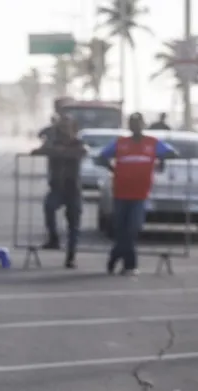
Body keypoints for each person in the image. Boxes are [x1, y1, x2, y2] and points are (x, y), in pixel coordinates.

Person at [97, 113, 177, 276]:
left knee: (132, 229)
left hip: (139, 194)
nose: (135, 126)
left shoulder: (152, 143)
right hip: (121, 192)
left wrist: (160, 160)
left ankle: (122, 260)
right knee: (121, 229)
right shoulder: (121, 143)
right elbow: (101, 156)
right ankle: (125, 263)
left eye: (138, 123)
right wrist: (112, 169)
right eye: (132, 123)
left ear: (143, 124)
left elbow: (172, 153)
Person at [31, 115, 86, 268]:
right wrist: (51, 150)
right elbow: (39, 151)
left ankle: (71, 256)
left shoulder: (77, 143)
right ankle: (53, 238)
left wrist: (58, 152)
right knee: (49, 207)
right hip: (56, 187)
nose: (64, 131)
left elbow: (80, 153)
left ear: (73, 129)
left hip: (72, 188)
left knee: (74, 224)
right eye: (61, 128)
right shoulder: (53, 142)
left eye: (67, 128)